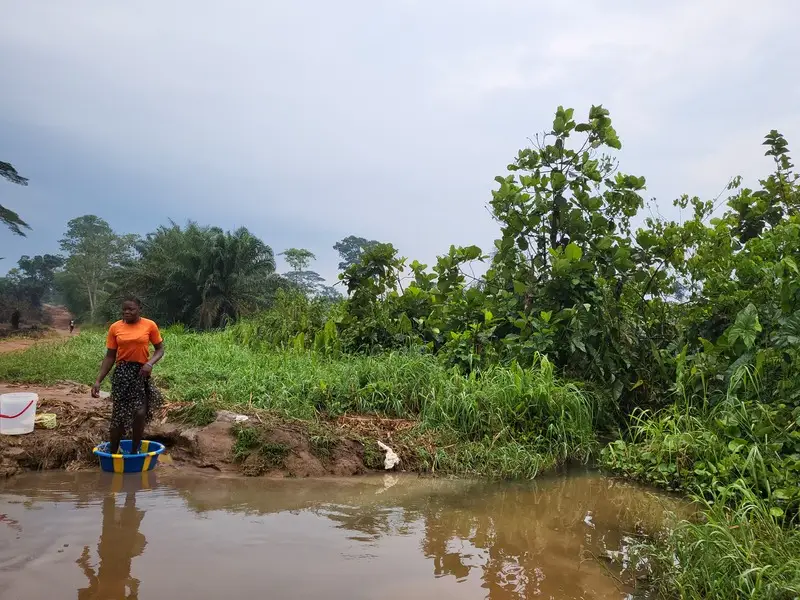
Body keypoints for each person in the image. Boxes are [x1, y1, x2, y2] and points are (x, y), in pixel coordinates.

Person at [91, 297, 165, 454]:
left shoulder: (149, 325)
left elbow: (160, 349)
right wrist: (98, 381)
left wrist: (150, 363)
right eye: (124, 309)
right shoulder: (115, 328)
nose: (127, 312)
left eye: (131, 309)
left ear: (139, 309)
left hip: (141, 373)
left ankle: (134, 451)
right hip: (122, 373)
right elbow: (110, 356)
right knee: (118, 414)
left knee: (139, 413)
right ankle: (113, 451)